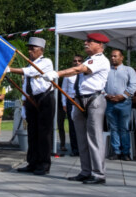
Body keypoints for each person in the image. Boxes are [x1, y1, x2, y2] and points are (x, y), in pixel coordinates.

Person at [45, 32, 110, 185]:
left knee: (94, 138)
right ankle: (86, 171)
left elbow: (77, 70)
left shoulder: (100, 60)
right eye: (86, 41)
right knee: (81, 138)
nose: (86, 43)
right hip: (80, 99)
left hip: (94, 98)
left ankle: (98, 174)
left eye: (90, 41)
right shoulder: (88, 59)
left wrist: (57, 74)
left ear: (100, 45)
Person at [9, 36, 55, 176]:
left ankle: (44, 164)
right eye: (29, 49)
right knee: (32, 133)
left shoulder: (46, 62)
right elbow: (26, 84)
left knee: (44, 133)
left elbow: (32, 72)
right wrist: (24, 102)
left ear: (41, 50)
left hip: (45, 99)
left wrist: (10, 69)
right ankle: (32, 162)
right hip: (31, 99)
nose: (30, 51)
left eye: (33, 49)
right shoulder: (29, 64)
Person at [105, 49, 136, 161]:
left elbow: (134, 84)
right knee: (113, 128)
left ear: (121, 57)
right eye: (111, 56)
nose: (112, 58)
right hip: (110, 102)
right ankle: (116, 151)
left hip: (124, 103)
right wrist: (105, 94)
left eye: (115, 56)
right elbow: (100, 84)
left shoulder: (129, 70)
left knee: (124, 128)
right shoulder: (106, 70)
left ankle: (125, 152)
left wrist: (123, 96)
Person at [61, 55, 83, 156]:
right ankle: (75, 149)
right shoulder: (68, 74)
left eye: (79, 61)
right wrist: (64, 103)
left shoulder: (85, 74)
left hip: (82, 100)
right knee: (72, 126)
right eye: (75, 61)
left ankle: (83, 148)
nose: (77, 62)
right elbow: (63, 90)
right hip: (71, 100)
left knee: (83, 125)